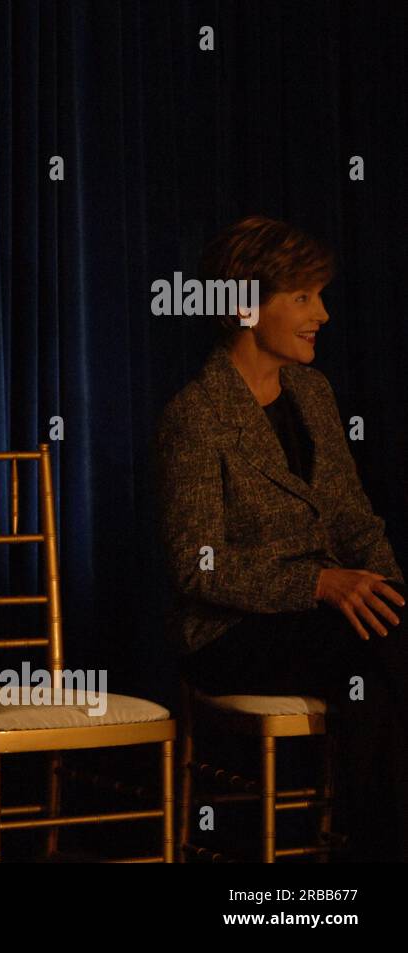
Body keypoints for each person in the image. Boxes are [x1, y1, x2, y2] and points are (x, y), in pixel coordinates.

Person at [156, 214, 408, 861]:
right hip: (230, 632)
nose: (322, 313)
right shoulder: (197, 413)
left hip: (322, 612)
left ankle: (364, 844)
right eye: (303, 296)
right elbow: (197, 565)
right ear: (245, 305)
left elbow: (354, 518)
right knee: (368, 657)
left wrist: (391, 588)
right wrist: (317, 581)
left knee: (390, 641)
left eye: (319, 295)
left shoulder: (313, 391)